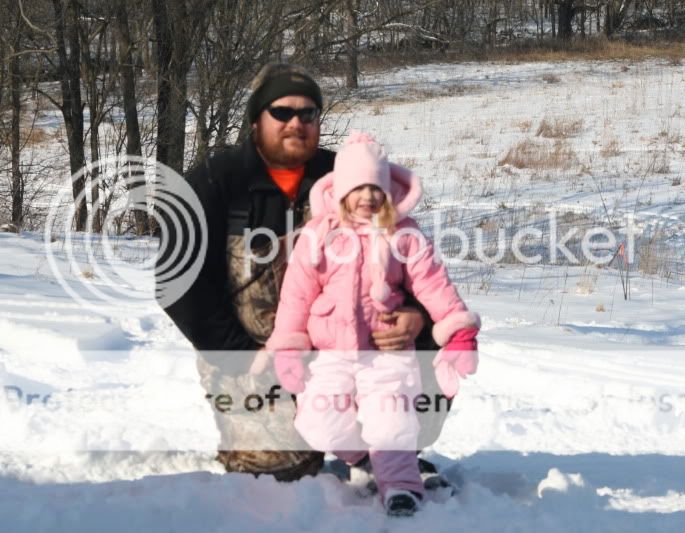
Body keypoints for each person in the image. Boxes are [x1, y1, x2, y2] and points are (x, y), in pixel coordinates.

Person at [157, 63, 432, 482]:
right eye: (282, 112)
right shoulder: (214, 181)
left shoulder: (345, 176)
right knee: (280, 475)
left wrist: (415, 314)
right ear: (256, 120)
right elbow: (177, 284)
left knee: (441, 345)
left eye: (308, 114)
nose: (296, 123)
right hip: (255, 355)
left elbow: (410, 258)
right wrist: (240, 355)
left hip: (348, 342)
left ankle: (388, 453)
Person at [265, 131, 480, 516]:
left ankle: (401, 486)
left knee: (390, 419)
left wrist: (458, 330)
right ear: (341, 191)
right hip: (332, 353)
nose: (368, 197)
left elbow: (432, 282)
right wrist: (289, 348)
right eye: (358, 188)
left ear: (387, 190)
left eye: (375, 188)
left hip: (385, 351)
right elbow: (296, 294)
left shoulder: (404, 234)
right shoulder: (319, 234)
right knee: (317, 421)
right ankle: (366, 460)